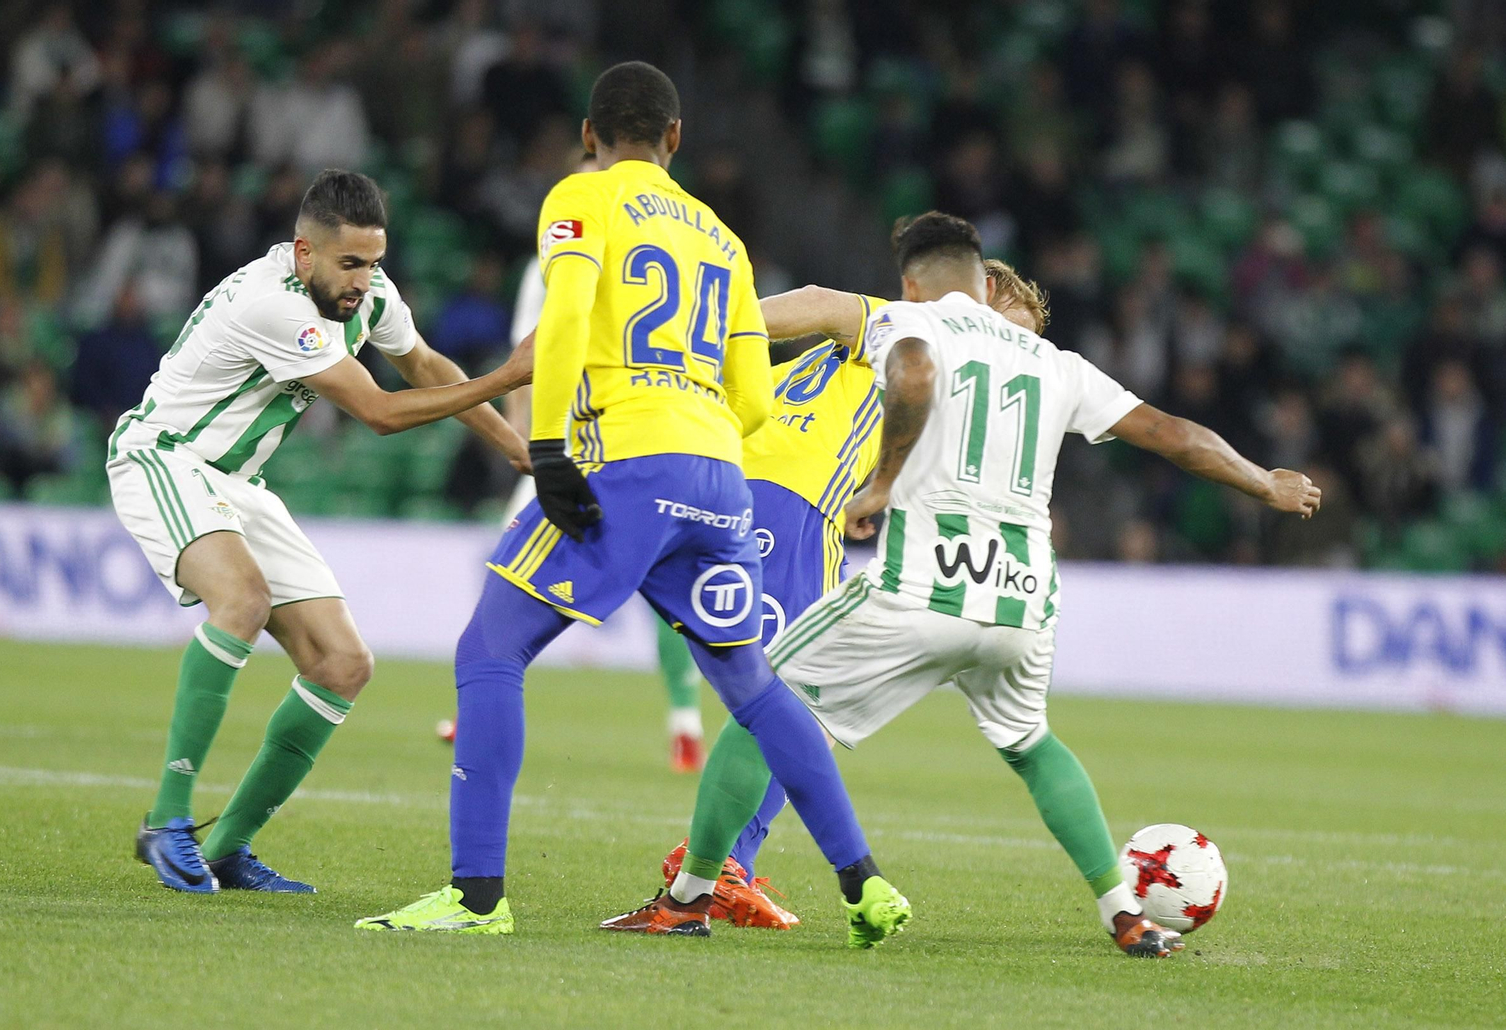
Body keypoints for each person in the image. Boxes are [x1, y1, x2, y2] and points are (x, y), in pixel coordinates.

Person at [628, 212, 1320, 958]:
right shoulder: (1058, 364)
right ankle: (1125, 912)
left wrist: (884, 480)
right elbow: (1175, 434)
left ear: (917, 282)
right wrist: (1263, 481)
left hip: (924, 581)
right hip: (1022, 595)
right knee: (1032, 744)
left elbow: (901, 361)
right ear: (985, 281)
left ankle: (689, 897)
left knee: (765, 706)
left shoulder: (910, 322)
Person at [356, 62, 910, 948]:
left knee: (491, 648)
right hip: (718, 472)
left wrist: (547, 449)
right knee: (754, 685)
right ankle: (863, 884)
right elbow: (756, 400)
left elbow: (567, 316)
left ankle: (476, 898)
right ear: (677, 139)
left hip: (628, 459)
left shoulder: (584, 199)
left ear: (589, 135)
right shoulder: (723, 238)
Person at [112, 169, 531, 894]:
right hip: (166, 458)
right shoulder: (269, 302)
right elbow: (380, 411)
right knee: (239, 601)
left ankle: (227, 850)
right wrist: (507, 377)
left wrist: (519, 451)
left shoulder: (366, 292)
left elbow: (425, 365)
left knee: (342, 663)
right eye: (350, 264)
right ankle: (168, 821)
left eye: (374, 262)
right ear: (304, 252)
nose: (365, 281)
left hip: (239, 482)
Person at [607, 259, 1049, 933]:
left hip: (730, 488)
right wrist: (720, 329)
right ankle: (720, 873)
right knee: (789, 700)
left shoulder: (891, 368)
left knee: (784, 698)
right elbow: (818, 298)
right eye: (1002, 328)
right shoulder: (912, 332)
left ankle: (720, 871)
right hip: (787, 511)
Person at [500, 151, 707, 773]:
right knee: (670, 584)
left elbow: (531, 346)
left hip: (574, 437)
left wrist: (526, 433)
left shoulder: (556, 251)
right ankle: (688, 725)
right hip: (663, 439)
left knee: (510, 571)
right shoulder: (686, 242)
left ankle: (483, 699)